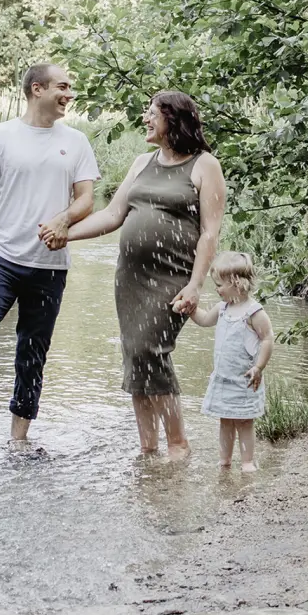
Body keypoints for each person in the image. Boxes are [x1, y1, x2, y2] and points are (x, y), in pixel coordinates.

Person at [0, 63, 100, 448]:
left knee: (33, 351)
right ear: (37, 89)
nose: (69, 94)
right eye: (63, 86)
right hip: (3, 256)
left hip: (50, 266)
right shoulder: (1, 135)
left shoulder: (76, 141)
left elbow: (87, 199)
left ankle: (18, 439)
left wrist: (63, 220)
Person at [63, 90, 225, 458]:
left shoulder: (204, 165)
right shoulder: (141, 162)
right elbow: (111, 216)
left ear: (173, 119)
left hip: (173, 277)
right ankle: (148, 447)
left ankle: (178, 442)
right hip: (131, 279)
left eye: (152, 113)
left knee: (150, 350)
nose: (145, 119)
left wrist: (196, 285)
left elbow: (210, 233)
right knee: (135, 355)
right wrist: (64, 235)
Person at [192, 251, 274, 470]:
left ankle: (247, 461)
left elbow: (267, 339)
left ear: (235, 283)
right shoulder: (222, 309)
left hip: (245, 380)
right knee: (225, 421)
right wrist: (190, 309)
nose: (216, 289)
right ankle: (224, 460)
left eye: (219, 284)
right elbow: (202, 320)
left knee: (245, 422)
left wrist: (259, 366)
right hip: (224, 379)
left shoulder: (254, 312)